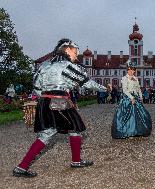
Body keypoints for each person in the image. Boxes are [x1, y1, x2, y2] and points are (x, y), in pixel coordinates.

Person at [12, 38, 106, 177]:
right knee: (75, 128)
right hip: (60, 102)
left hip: (44, 102)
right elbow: (86, 83)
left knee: (47, 134)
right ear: (67, 50)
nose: (76, 55)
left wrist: (45, 98)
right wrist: (104, 88)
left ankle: (22, 167)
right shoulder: (67, 65)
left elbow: (37, 88)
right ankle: (76, 161)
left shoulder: (44, 65)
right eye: (75, 52)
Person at [112, 60, 152, 139]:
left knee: (140, 114)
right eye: (130, 70)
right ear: (128, 70)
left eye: (133, 70)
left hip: (135, 96)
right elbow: (125, 90)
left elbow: (138, 89)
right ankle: (128, 131)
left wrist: (141, 97)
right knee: (128, 114)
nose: (132, 71)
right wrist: (132, 98)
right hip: (128, 97)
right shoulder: (124, 78)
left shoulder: (136, 78)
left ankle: (137, 131)